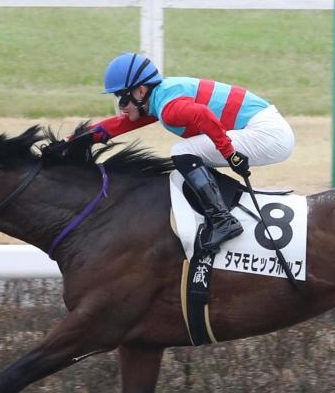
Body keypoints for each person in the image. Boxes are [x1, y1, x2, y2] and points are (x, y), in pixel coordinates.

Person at [67, 52, 295, 253]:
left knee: (183, 152)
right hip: (265, 127)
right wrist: (70, 142)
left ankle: (223, 221)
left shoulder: (169, 108)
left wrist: (230, 154)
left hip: (268, 134)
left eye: (121, 97)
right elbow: (117, 126)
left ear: (140, 90)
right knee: (192, 155)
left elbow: (203, 115)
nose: (120, 105)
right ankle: (220, 214)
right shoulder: (158, 97)